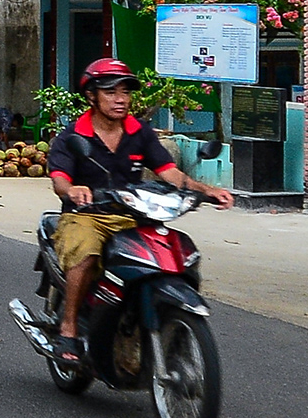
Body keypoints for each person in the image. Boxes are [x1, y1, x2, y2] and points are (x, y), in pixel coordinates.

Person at [44, 56, 227, 370]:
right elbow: (60, 178)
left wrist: (203, 189)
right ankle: (69, 328)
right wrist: (73, 190)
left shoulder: (139, 132)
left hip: (132, 214)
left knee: (178, 251)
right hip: (88, 216)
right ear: (92, 96)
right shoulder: (73, 136)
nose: (120, 99)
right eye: (111, 92)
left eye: (125, 93)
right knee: (85, 253)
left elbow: (169, 172)